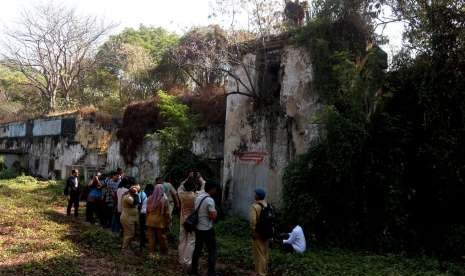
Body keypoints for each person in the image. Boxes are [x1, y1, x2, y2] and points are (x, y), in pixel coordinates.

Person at [191, 181, 218, 276]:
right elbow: (213, 216)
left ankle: (193, 270)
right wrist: (216, 213)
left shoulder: (198, 197)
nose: (215, 191)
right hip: (207, 229)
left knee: (197, 249)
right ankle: (211, 272)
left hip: (198, 228)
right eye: (215, 189)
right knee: (212, 250)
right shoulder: (209, 200)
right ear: (212, 189)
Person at [146, 183, 171, 256]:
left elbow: (147, 210)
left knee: (151, 238)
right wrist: (168, 221)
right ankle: (164, 252)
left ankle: (151, 253)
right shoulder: (164, 200)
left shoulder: (150, 198)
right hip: (159, 222)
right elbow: (167, 213)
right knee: (162, 238)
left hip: (150, 220)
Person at [250, 188, 270, 276]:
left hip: (258, 233)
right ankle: (265, 270)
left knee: (259, 253)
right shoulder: (267, 205)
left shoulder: (255, 206)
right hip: (267, 232)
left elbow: (253, 221)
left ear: (257, 196)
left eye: (255, 194)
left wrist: (253, 231)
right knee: (265, 252)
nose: (254, 195)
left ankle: (261, 273)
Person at [178, 180, 196, 272]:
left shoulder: (181, 194)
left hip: (183, 220)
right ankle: (187, 262)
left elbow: (180, 187)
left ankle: (181, 260)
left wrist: (187, 178)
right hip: (191, 221)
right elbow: (204, 188)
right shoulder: (195, 196)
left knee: (182, 240)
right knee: (191, 241)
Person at [120, 178, 141, 252]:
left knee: (130, 233)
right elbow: (136, 202)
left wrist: (136, 191)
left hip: (131, 217)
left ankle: (128, 247)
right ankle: (124, 249)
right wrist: (136, 193)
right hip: (127, 217)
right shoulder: (128, 197)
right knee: (129, 234)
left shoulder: (130, 195)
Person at [139, 184, 154, 251]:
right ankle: (144, 244)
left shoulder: (142, 194)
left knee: (143, 230)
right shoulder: (144, 194)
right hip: (145, 214)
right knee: (145, 229)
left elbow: (139, 204)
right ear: (150, 190)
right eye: (152, 190)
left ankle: (142, 244)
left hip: (143, 214)